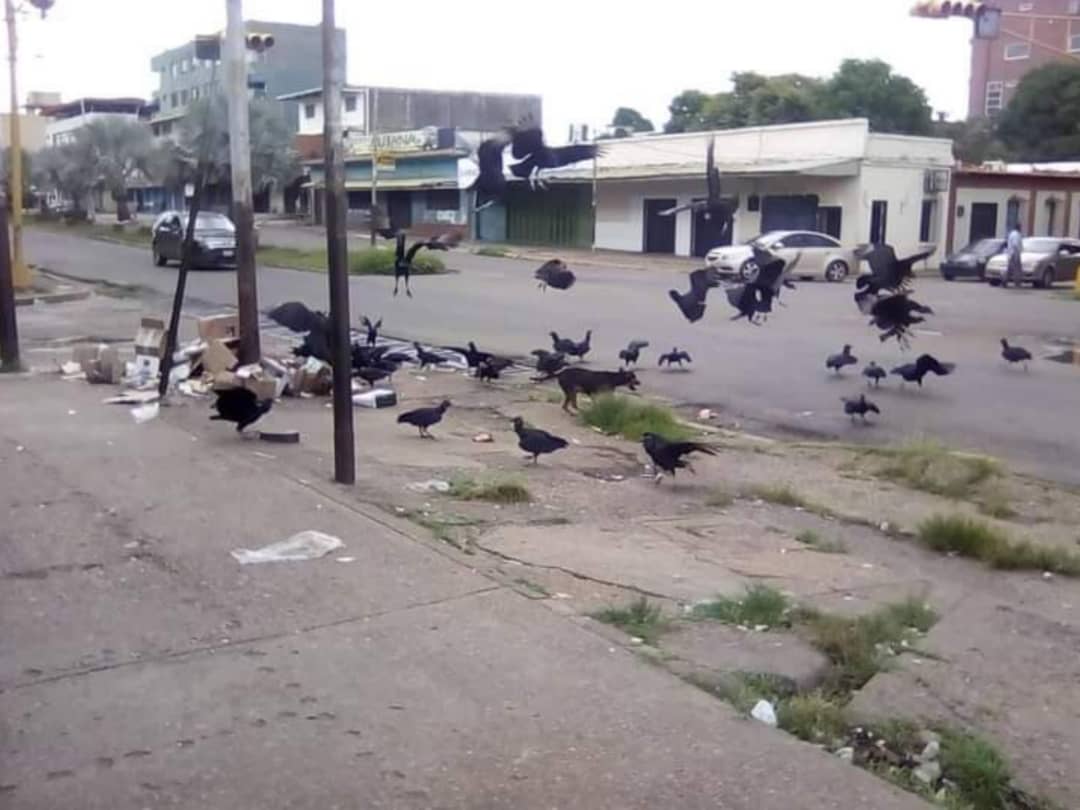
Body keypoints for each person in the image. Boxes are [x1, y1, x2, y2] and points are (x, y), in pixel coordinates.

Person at [1004, 223, 1023, 288]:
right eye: (1020, 227)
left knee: (1010, 269)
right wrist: (1016, 255)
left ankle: (1005, 281)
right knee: (1017, 269)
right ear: (1018, 228)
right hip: (1014, 253)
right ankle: (1017, 283)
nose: (1021, 229)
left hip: (1011, 253)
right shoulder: (1016, 235)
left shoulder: (1012, 234)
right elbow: (1015, 245)